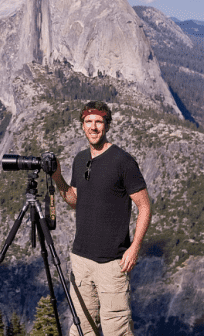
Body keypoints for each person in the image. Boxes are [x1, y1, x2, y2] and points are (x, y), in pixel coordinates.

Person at [51, 101, 152, 336]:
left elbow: (144, 207)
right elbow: (75, 200)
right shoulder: (79, 159)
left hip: (111, 264)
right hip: (81, 261)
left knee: (116, 330)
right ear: (82, 125)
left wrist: (134, 248)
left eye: (98, 121)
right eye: (88, 122)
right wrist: (58, 178)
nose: (93, 127)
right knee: (81, 329)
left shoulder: (123, 161)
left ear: (106, 125)